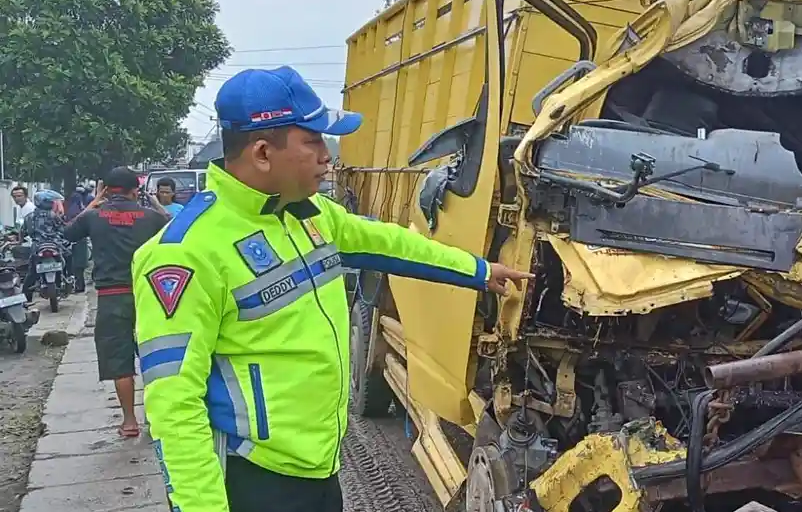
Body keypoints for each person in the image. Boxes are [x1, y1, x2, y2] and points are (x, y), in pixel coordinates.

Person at [133, 66, 534, 512]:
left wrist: (478, 271)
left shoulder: (311, 216)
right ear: (263, 152)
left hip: (320, 470)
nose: (329, 157)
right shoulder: (184, 254)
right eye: (313, 142)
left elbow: (391, 244)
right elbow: (174, 406)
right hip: (253, 481)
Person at [66, 167, 169, 439]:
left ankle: (129, 421)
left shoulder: (93, 216)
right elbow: (175, 228)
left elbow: (68, 233)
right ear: (136, 190)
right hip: (150, 294)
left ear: (106, 190)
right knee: (156, 354)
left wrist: (93, 203)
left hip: (112, 296)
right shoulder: (151, 217)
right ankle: (157, 417)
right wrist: (154, 201)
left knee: (118, 358)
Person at [20, 191, 67, 301]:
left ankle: (25, 300)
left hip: (37, 247)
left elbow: (24, 232)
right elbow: (63, 230)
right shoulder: (54, 215)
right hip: (55, 245)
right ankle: (69, 279)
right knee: (67, 259)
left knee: (31, 273)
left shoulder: (29, 217)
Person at [66, 185, 95, 293]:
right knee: (80, 265)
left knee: (77, 265)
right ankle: (80, 285)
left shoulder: (72, 210)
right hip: (81, 240)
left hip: (76, 241)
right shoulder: (82, 208)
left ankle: (79, 286)